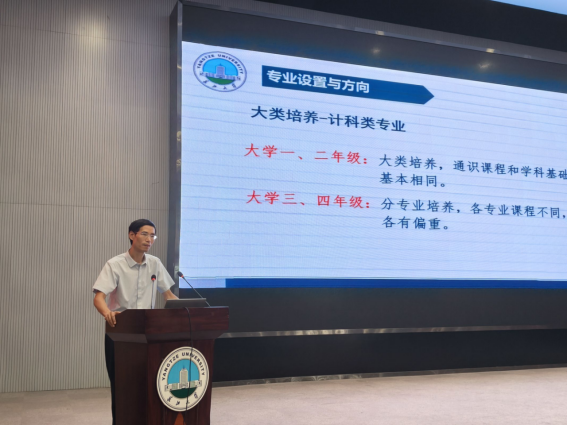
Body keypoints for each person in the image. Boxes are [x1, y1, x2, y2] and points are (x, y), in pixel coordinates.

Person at [92, 219, 178, 425]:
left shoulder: (155, 263)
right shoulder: (115, 264)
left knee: (148, 385)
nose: (149, 239)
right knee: (122, 386)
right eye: (145, 234)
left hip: (148, 333)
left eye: (153, 236)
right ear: (132, 235)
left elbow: (168, 295)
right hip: (120, 332)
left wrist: (187, 309)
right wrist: (107, 313)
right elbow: (99, 297)